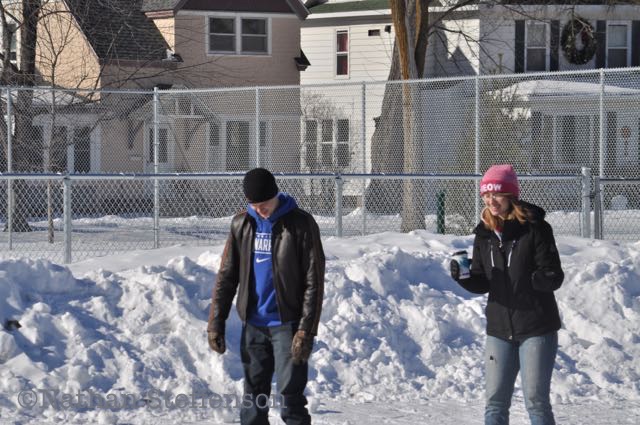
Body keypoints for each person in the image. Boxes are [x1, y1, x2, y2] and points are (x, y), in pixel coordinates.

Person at [207, 167, 325, 425]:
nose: (260, 209)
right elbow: (227, 276)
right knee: (253, 400)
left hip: (288, 325)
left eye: (265, 203)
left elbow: (314, 281)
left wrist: (306, 330)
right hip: (254, 325)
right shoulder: (241, 224)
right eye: (254, 204)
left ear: (276, 195)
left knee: (290, 399)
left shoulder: (301, 223)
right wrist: (216, 322)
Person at [450, 164, 564, 425]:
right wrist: (464, 277)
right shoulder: (484, 234)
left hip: (536, 327)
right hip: (499, 329)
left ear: (511, 196)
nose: (491, 200)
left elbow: (554, 275)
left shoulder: (535, 229)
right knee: (495, 403)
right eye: (486, 195)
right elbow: (482, 281)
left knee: (536, 402)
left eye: (497, 194)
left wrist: (536, 278)